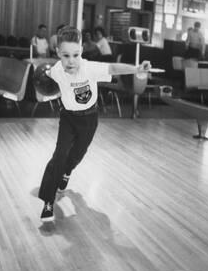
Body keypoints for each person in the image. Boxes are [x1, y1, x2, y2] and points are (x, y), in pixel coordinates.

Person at [38, 25, 151, 222]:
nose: (71, 61)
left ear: (81, 51)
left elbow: (114, 68)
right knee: (59, 155)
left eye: (75, 54)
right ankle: (48, 201)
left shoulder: (89, 67)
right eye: (65, 55)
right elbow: (42, 83)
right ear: (57, 53)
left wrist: (137, 69)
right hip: (68, 119)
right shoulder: (55, 71)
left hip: (89, 119)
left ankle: (67, 173)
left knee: (77, 154)